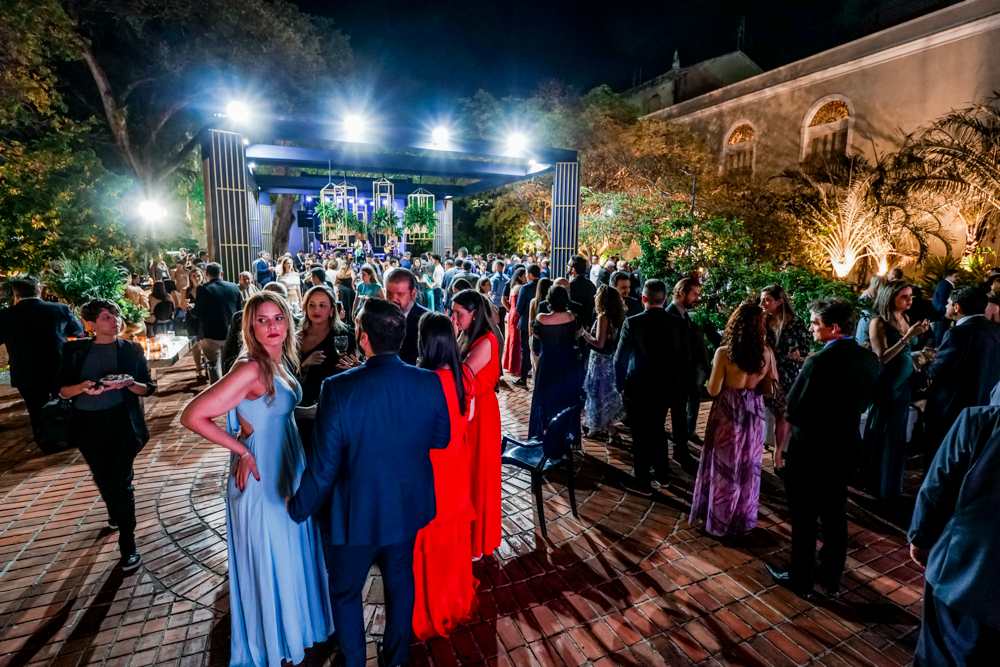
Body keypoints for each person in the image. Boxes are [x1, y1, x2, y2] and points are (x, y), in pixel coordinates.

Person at [287, 298, 449, 667]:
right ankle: (396, 659)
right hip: (405, 506)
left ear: (363, 339)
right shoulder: (428, 382)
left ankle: (355, 662)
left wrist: (298, 507)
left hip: (353, 514)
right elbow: (440, 439)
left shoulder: (338, 388)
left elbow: (324, 467)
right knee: (400, 583)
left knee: (346, 593)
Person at [181, 292, 333, 666]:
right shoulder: (249, 368)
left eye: (278, 317)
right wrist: (242, 450)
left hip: (287, 463)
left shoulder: (276, 360)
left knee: (291, 550)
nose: (272, 326)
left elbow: (278, 411)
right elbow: (193, 415)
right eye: (262, 320)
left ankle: (296, 628)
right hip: (264, 473)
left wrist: (320, 410)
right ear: (250, 327)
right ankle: (277, 638)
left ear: (288, 322)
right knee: (274, 554)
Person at [766, 298, 880, 599]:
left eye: (815, 323)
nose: (811, 328)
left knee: (804, 518)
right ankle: (831, 577)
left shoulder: (818, 361)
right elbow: (867, 400)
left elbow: (793, 410)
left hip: (812, 451)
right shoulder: (868, 359)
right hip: (845, 446)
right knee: (834, 514)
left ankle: (801, 578)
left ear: (834, 327)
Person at [55, 299, 155, 570]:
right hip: (87, 423)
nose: (115, 320)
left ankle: (128, 544)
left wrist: (129, 383)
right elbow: (61, 390)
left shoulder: (131, 349)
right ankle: (114, 511)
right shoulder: (74, 350)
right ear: (91, 324)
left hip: (122, 422)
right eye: (107, 317)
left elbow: (148, 388)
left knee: (121, 481)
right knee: (101, 475)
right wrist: (82, 387)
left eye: (116, 315)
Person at [908, 406, 1000, 666]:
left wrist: (920, 538)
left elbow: (937, 486)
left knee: (940, 655)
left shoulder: (980, 420)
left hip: (962, 568)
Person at [412, 312, 477, 640]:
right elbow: (468, 417)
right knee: (453, 535)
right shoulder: (464, 375)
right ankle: (455, 596)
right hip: (457, 463)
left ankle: (431, 604)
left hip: (431, 467)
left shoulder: (422, 380)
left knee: (430, 536)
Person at [689, 303, 775, 537]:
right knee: (748, 466)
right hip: (753, 411)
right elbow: (770, 387)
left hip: (728, 411)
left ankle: (720, 520)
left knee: (724, 466)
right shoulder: (767, 353)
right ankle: (742, 519)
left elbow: (713, 390)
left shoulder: (724, 353)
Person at [615, 279, 691, 495]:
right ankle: (662, 474)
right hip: (667, 387)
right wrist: (678, 387)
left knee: (640, 435)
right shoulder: (678, 324)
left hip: (639, 385)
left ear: (643, 298)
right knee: (658, 429)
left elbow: (620, 359)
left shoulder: (633, 322)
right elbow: (686, 360)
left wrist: (621, 385)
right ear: (665, 299)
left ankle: (643, 483)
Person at [861, 280, 930, 499]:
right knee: (884, 430)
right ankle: (875, 482)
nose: (910, 300)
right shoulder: (878, 322)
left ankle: (891, 483)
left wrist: (920, 350)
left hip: (904, 383)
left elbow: (906, 353)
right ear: (890, 298)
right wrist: (907, 338)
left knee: (897, 434)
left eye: (911, 296)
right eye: (904, 296)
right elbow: (881, 357)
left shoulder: (906, 318)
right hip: (888, 384)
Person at [0, 277, 85, 447]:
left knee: (35, 408)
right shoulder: (59, 309)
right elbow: (77, 330)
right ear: (39, 291)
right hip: (57, 366)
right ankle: (70, 437)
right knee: (64, 402)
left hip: (25, 370)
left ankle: (46, 442)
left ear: (16, 294)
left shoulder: (5, 315)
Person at [450, 290, 502, 561]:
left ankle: (477, 540)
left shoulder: (486, 341)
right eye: (453, 311)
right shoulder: (467, 335)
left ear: (474, 314)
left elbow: (461, 377)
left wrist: (448, 337)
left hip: (481, 413)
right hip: (471, 410)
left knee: (478, 473)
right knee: (467, 473)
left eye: (459, 313)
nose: (454, 317)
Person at [924, 286, 1000, 466]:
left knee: (942, 458)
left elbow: (940, 370)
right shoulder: (996, 330)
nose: (946, 307)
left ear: (957, 307)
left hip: (952, 406)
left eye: (949, 303)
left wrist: (925, 363)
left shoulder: (958, 333)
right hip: (985, 403)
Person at [528, 286, 581, 438]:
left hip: (548, 364)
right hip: (567, 365)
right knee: (565, 399)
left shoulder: (541, 318)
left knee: (545, 399)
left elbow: (536, 347)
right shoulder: (571, 317)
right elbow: (574, 340)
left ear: (549, 300)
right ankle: (563, 434)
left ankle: (544, 435)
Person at [665, 278, 705, 471]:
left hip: (683, 376)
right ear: (681, 292)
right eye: (694, 294)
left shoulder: (684, 314)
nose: (697, 298)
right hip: (673, 377)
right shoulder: (670, 315)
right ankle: (675, 453)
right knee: (673, 415)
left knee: (680, 415)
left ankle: (680, 450)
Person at [580, 285, 626, 443]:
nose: (594, 297)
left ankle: (600, 429)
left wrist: (584, 334)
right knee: (603, 396)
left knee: (597, 395)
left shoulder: (603, 317)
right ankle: (609, 431)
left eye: (597, 295)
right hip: (607, 359)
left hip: (600, 361)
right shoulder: (614, 316)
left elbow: (599, 343)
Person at [190, 263, 242, 384]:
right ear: (222, 274)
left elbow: (198, 312)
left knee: (213, 365)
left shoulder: (202, 289)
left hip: (210, 333)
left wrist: (191, 311)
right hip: (230, 332)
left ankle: (217, 388)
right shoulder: (234, 287)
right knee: (231, 363)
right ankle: (232, 387)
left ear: (206, 274)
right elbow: (239, 311)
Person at [385, 269, 429, 366]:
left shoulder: (427, 321)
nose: (393, 299)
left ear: (413, 294)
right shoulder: (380, 317)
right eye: (389, 293)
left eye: (399, 294)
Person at [568, 256, 598, 387]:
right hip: (587, 326)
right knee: (584, 357)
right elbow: (594, 307)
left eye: (569, 266)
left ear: (573, 270)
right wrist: (589, 324)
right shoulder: (591, 285)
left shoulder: (571, 286)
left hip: (572, 327)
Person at [513, 265, 541, 386]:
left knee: (525, 350)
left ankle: (523, 378)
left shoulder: (525, 288)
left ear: (530, 274)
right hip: (543, 324)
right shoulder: (545, 285)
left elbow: (519, 308)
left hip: (526, 323)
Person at [503, 267, 526, 378]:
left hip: (512, 314)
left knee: (511, 339)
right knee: (516, 341)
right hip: (517, 315)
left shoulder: (513, 286)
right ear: (520, 277)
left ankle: (510, 365)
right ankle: (515, 367)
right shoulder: (521, 287)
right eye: (525, 275)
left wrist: (511, 310)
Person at [930, 268, 960, 346]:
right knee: (940, 335)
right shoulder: (944, 286)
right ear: (948, 276)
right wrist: (947, 314)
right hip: (942, 315)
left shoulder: (946, 285)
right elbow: (943, 301)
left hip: (942, 315)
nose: (958, 278)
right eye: (955, 276)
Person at [528, 277, 552, 371]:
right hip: (547, 337)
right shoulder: (550, 303)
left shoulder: (534, 301)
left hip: (535, 335)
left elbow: (531, 321)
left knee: (536, 367)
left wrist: (530, 337)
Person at [489, 260, 509, 332]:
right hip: (504, 304)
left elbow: (491, 292)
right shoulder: (507, 278)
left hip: (495, 303)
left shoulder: (493, 278)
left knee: (494, 323)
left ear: (496, 267)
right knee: (502, 323)